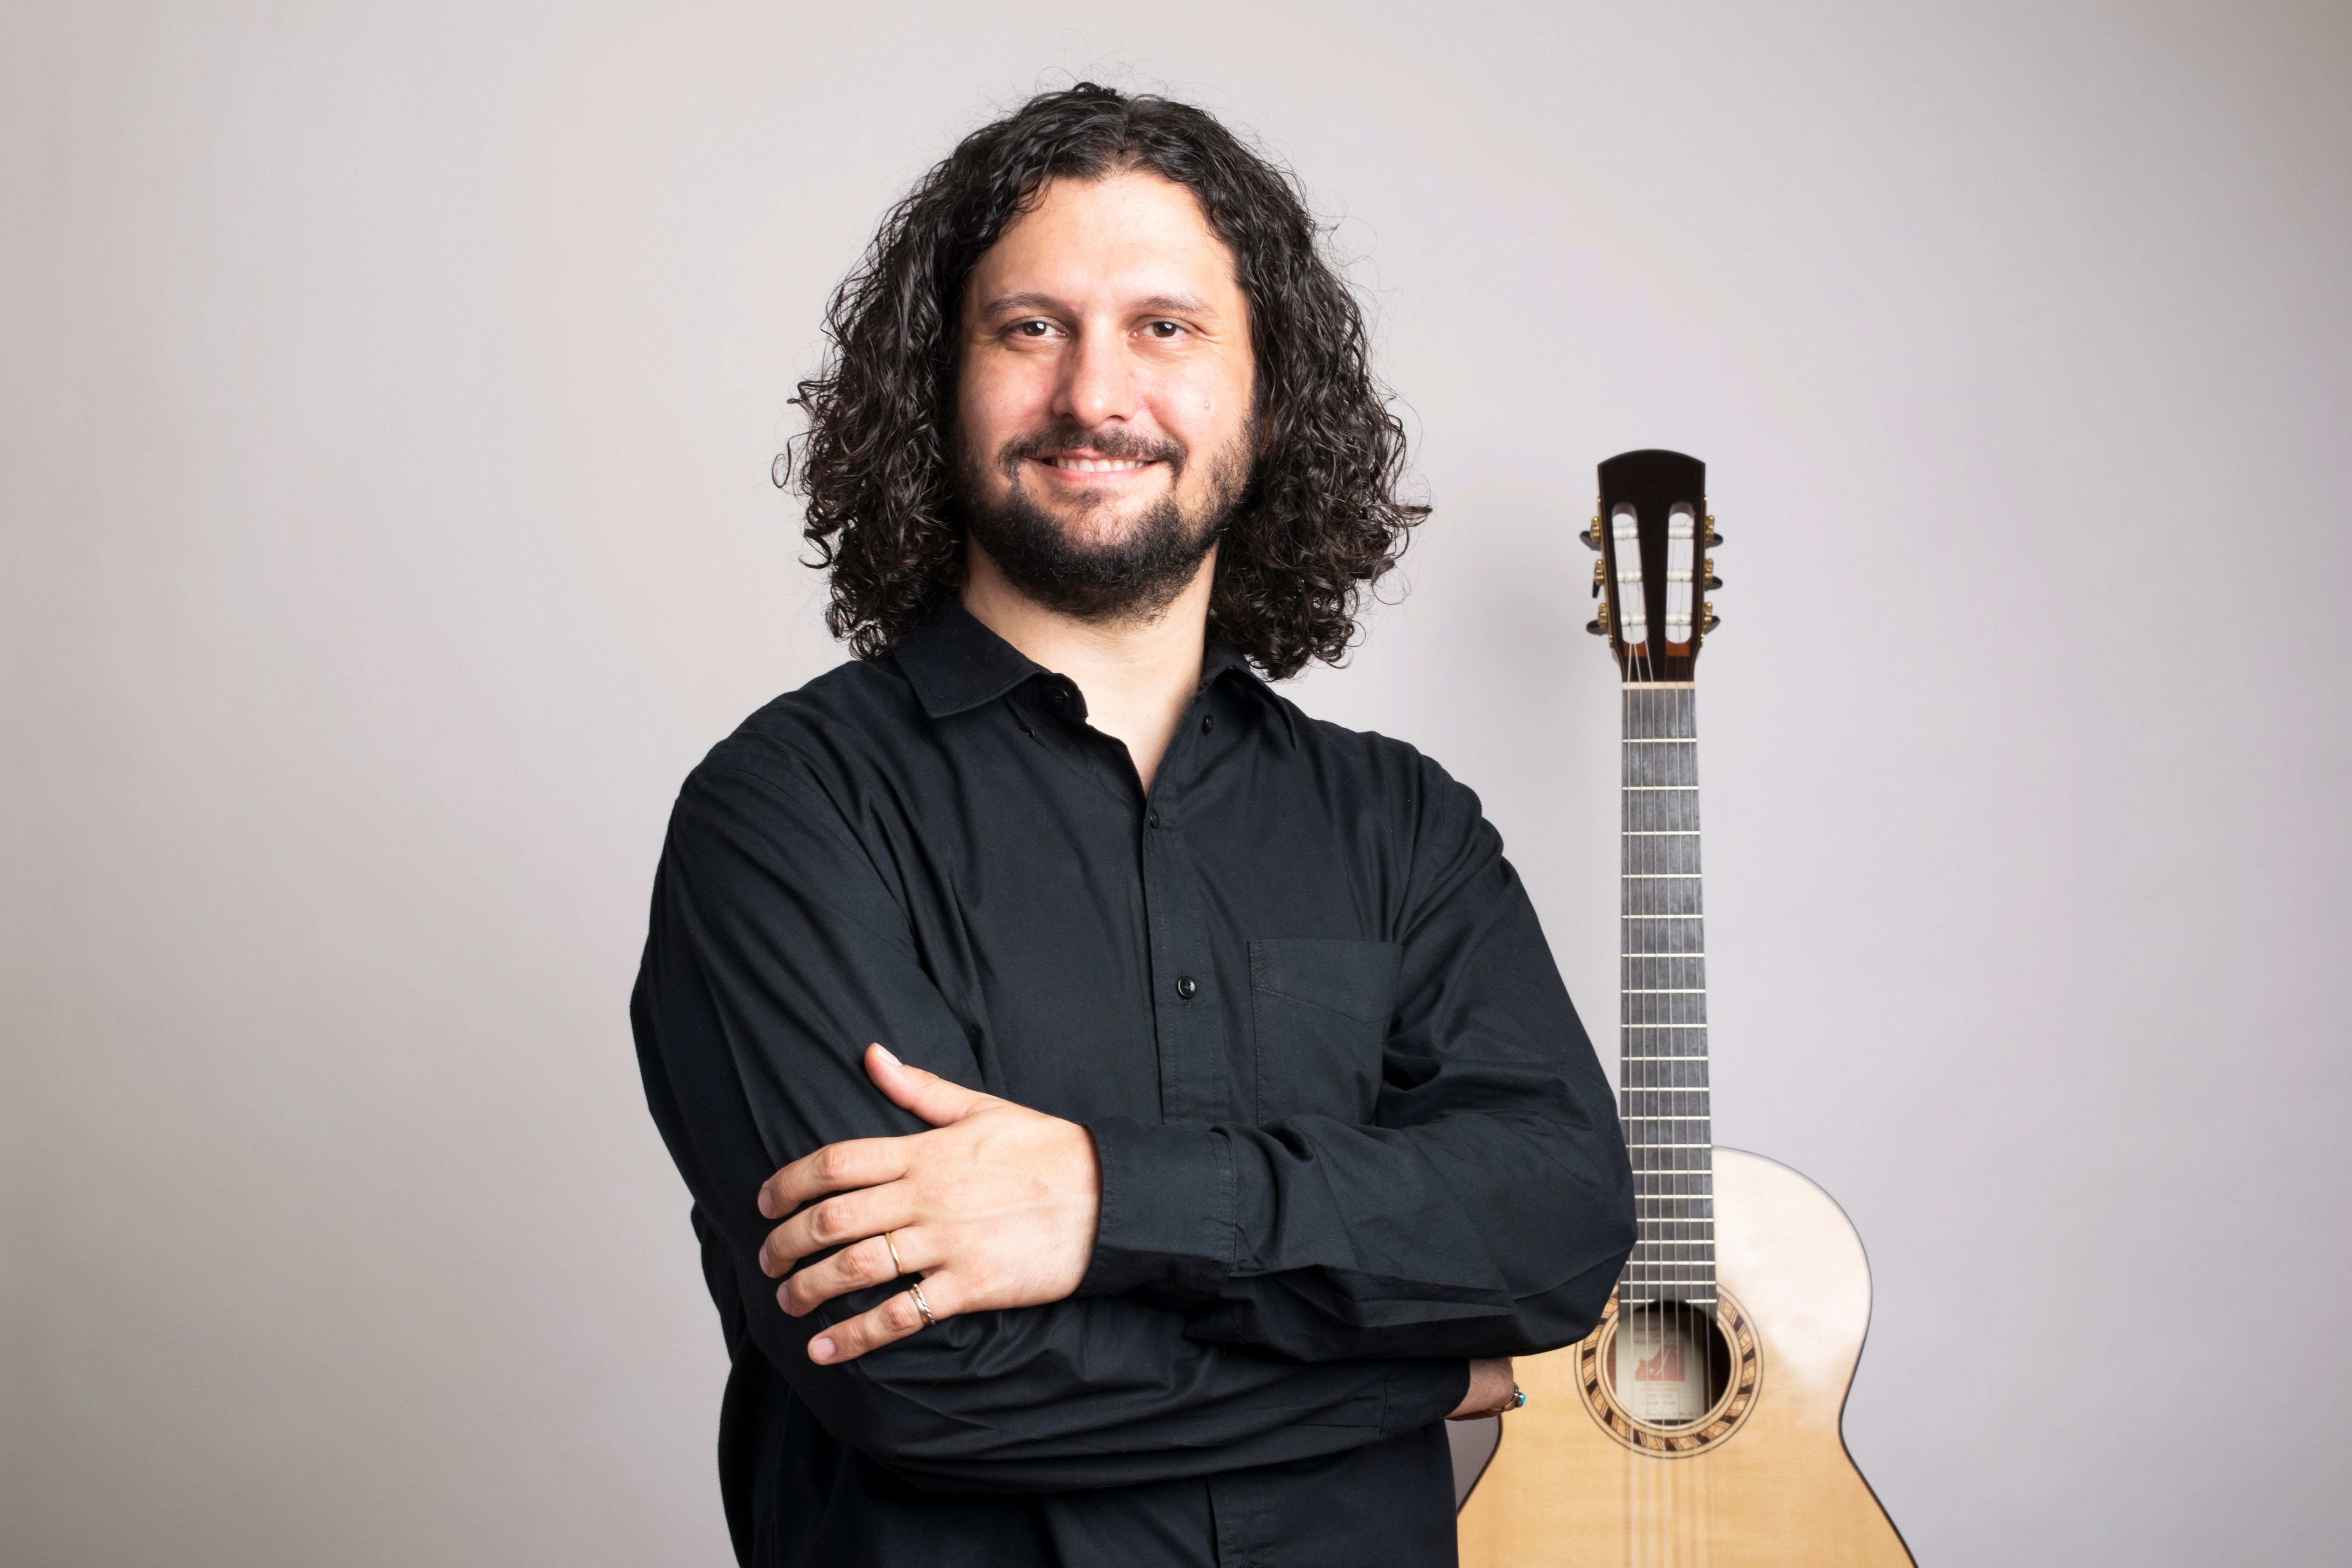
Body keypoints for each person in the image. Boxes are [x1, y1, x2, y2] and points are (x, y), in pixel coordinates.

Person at [631, 82, 1635, 1568]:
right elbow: (921, 1376)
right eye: (1029, 328)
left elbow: (1559, 1229)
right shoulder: (788, 810)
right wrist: (1417, 1372)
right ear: (938, 388)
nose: (1096, 396)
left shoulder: (1406, 826)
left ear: (1269, 397)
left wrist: (1106, 1201)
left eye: (1166, 327)